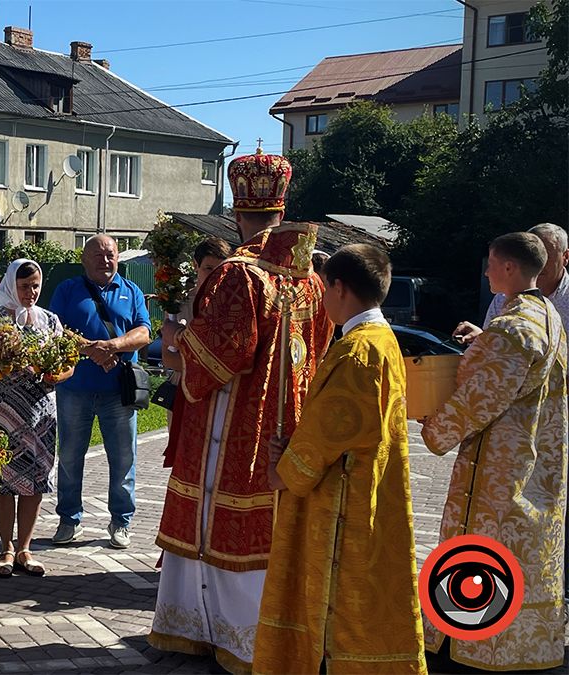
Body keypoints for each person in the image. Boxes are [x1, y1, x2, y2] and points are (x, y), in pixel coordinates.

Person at [153, 147, 333, 674]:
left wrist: (179, 339)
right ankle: (276, 635)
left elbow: (218, 358)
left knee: (219, 517)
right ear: (282, 206)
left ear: (237, 210)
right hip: (287, 425)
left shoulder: (239, 274)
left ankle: (219, 634)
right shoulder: (309, 276)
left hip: (232, 428)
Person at [255, 245, 425, 674]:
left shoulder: (358, 351)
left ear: (340, 287)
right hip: (369, 485)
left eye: (324, 287)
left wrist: (285, 470)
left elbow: (333, 429)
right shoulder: (381, 339)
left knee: (334, 608)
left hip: (343, 503)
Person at [421, 232, 567, 672]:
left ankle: (476, 649)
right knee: (523, 557)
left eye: (490, 263)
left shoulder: (513, 330)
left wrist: (432, 427)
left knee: (487, 553)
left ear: (507, 268)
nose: (485, 272)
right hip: (535, 462)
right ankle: (519, 646)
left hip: (501, 472)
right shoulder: (547, 316)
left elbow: (478, 401)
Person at [48, 234, 152, 549]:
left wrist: (112, 346)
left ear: (118, 257)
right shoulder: (67, 290)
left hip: (118, 392)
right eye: (97, 254)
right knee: (69, 456)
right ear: (84, 259)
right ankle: (69, 520)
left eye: (110, 254)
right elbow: (55, 328)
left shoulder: (131, 290)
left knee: (123, 459)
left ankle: (121, 522)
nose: (105, 260)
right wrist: (92, 350)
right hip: (74, 389)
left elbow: (144, 331)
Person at [0, 259, 73, 577]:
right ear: (11, 285)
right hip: (3, 412)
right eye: (24, 287)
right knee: (3, 479)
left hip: (40, 414)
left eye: (35, 286)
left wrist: (55, 374)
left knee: (35, 479)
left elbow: (68, 362)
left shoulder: (50, 321)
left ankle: (25, 547)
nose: (31, 292)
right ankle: (6, 549)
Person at [160, 237, 231, 471]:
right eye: (208, 268)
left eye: (221, 269)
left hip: (222, 394)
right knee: (185, 463)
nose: (214, 276)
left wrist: (188, 350)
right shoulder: (179, 303)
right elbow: (169, 359)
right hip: (184, 391)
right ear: (195, 266)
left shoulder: (234, 303)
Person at [453, 223, 568, 345]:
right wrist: (483, 337)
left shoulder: (516, 301)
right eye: (532, 256)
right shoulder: (502, 297)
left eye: (546, 256)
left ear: (566, 257)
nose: (539, 263)